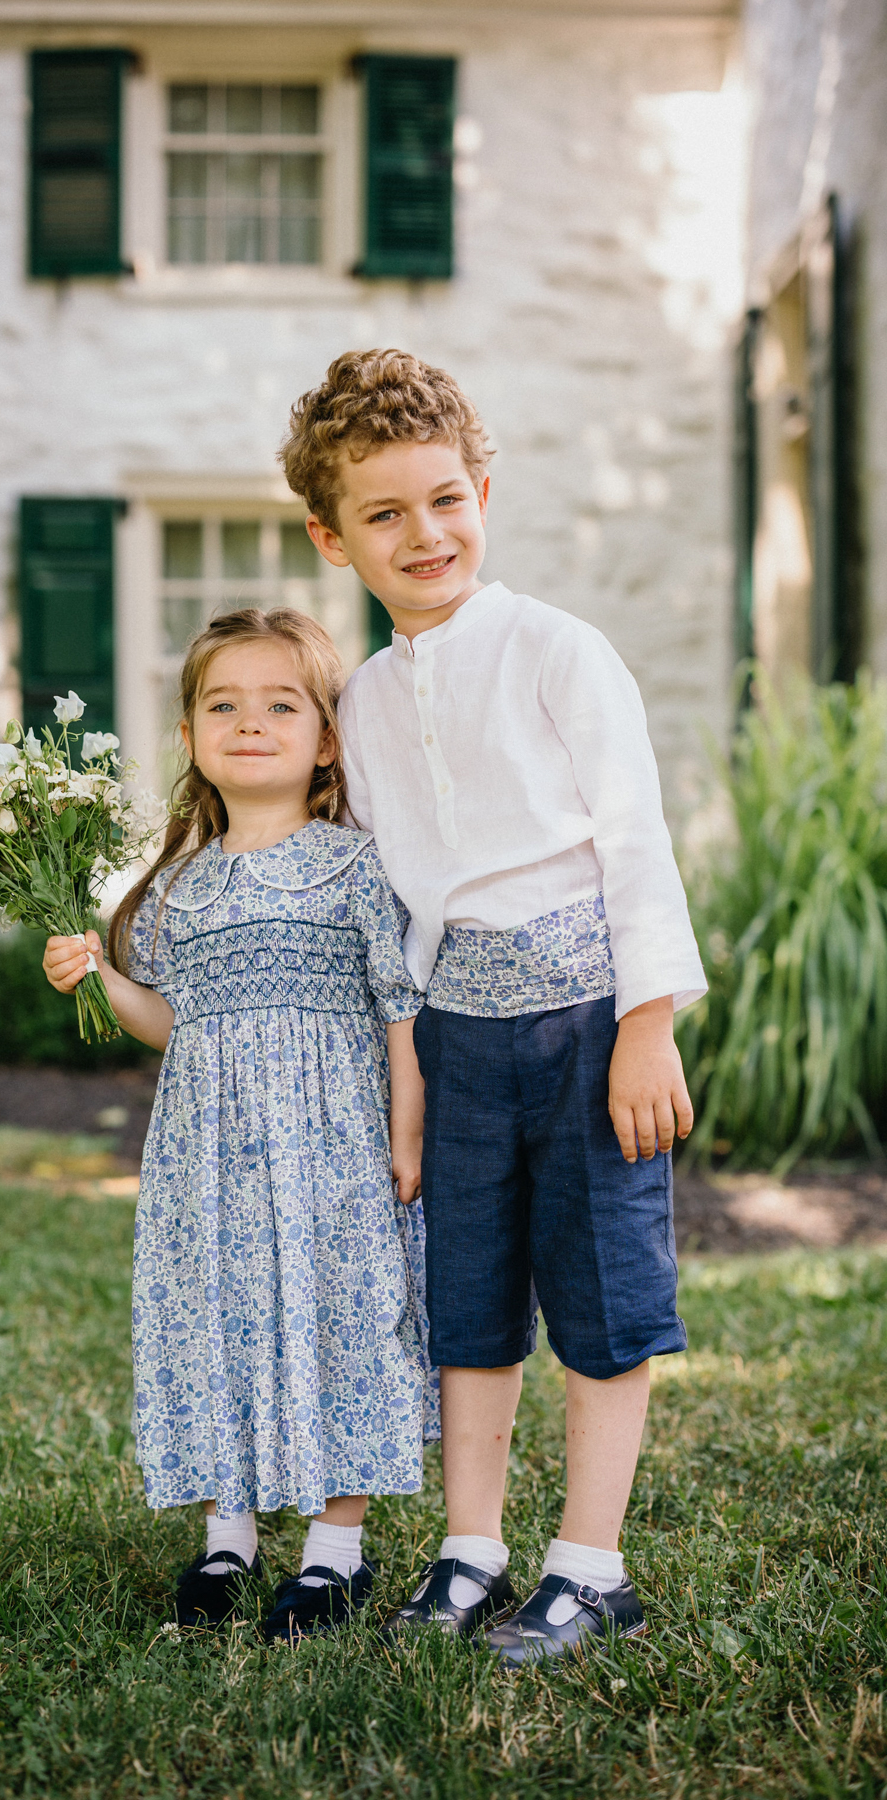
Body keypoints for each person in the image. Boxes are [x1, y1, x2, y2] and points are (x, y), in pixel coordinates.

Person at [280, 349, 707, 1666]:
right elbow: (392, 901)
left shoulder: (557, 651)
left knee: (598, 1290)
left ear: (483, 492)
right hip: (459, 1043)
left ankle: (592, 1565)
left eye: (446, 498)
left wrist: (649, 1021)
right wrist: (403, 1070)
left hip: (587, 1022)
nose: (426, 534)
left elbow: (635, 841)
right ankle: (471, 1552)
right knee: (465, 1299)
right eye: (386, 514)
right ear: (333, 537)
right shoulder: (359, 702)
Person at [42, 607, 438, 1645]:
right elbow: (172, 1020)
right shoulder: (178, 886)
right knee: (216, 1318)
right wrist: (99, 971)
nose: (250, 723)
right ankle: (228, 1536)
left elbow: (400, 1009)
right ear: (189, 738)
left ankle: (334, 1553)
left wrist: (407, 1139)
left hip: (335, 1147)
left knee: (337, 1317)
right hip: (207, 1156)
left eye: (280, 704)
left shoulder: (353, 866)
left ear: (325, 739)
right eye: (224, 704)